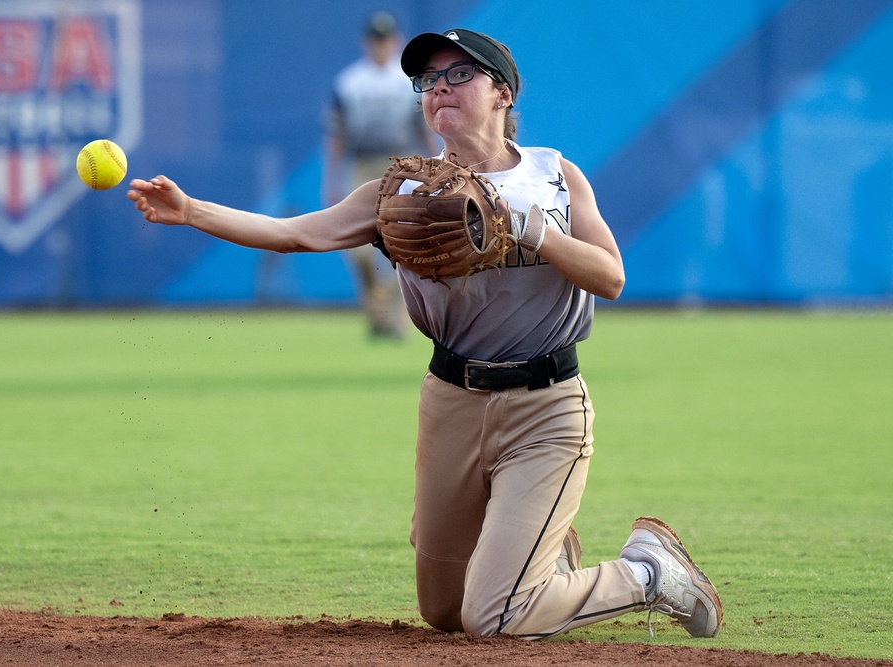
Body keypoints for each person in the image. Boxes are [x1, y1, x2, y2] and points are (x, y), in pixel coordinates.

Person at [127, 28, 724, 639]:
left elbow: (611, 277)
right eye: (429, 80)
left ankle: (648, 574)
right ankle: (546, 560)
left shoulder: (554, 176)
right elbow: (296, 232)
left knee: (493, 617)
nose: (440, 87)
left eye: (460, 74)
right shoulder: (400, 193)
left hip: (545, 407)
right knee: (444, 610)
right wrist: (191, 210)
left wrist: (529, 228)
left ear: (503, 94)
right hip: (450, 404)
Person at [322, 12, 438, 339]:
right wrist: (331, 179)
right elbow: (336, 134)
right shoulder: (350, 82)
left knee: (403, 244)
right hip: (361, 165)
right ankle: (377, 304)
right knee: (357, 247)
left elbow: (424, 127)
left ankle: (392, 320)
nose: (381, 45)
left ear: (396, 42)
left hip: (403, 166)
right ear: (366, 43)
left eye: (386, 39)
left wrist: (441, 166)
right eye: (376, 39)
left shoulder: (408, 82)